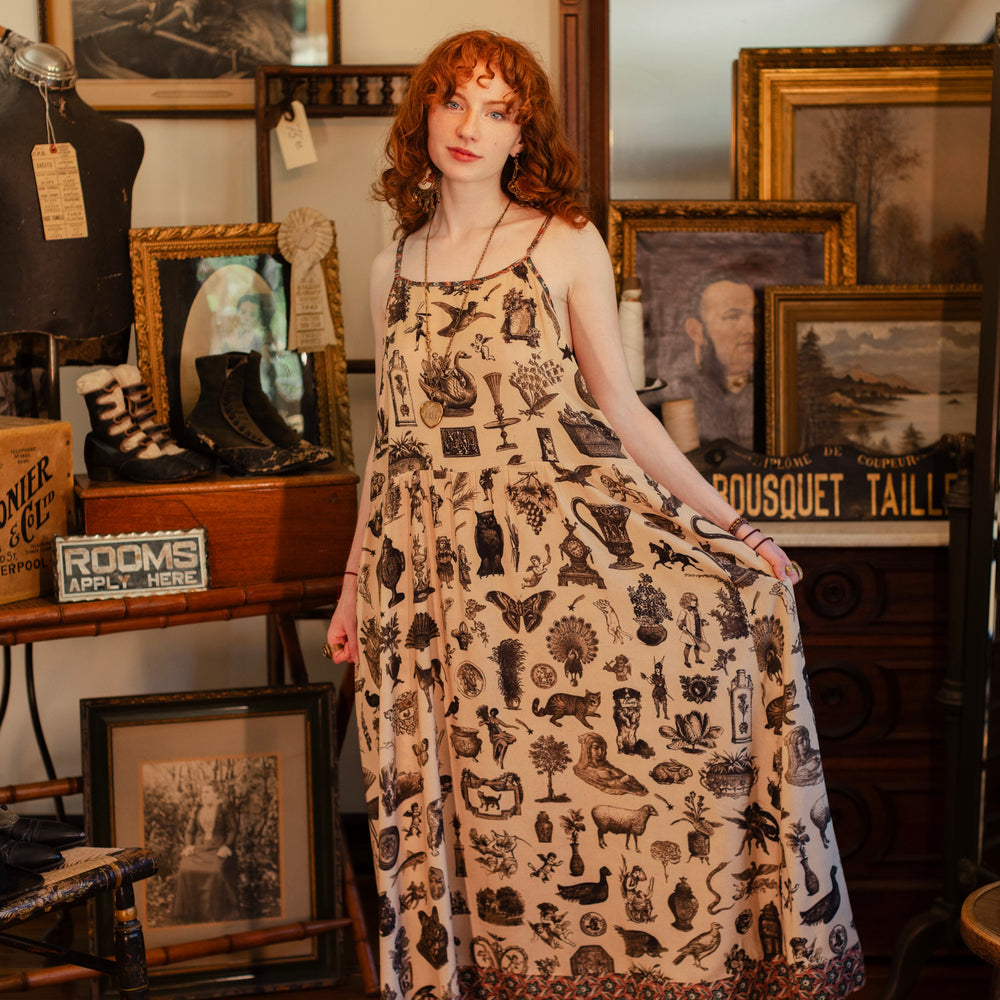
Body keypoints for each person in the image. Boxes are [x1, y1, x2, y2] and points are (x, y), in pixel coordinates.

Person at [327, 28, 863, 999]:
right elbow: (391, 442)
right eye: (454, 101)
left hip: (547, 562)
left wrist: (731, 530)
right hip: (428, 585)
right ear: (425, 115)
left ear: (521, 132)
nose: (469, 126)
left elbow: (620, 409)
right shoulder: (390, 265)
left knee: (561, 789)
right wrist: (352, 587)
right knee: (462, 811)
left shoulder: (562, 240)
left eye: (497, 110)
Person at [680, 269, 756, 449]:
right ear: (695, 331)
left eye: (755, 315)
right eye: (733, 317)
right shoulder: (680, 395)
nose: (751, 329)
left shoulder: (781, 397)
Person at [170, 782, 239, 924]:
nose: (204, 795)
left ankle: (211, 913)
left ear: (216, 794)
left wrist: (226, 846)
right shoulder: (197, 810)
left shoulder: (224, 810)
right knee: (184, 870)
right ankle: (190, 912)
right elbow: (190, 831)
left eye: (207, 792)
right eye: (203, 793)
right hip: (199, 849)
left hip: (217, 849)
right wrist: (189, 845)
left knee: (215, 872)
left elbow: (232, 830)